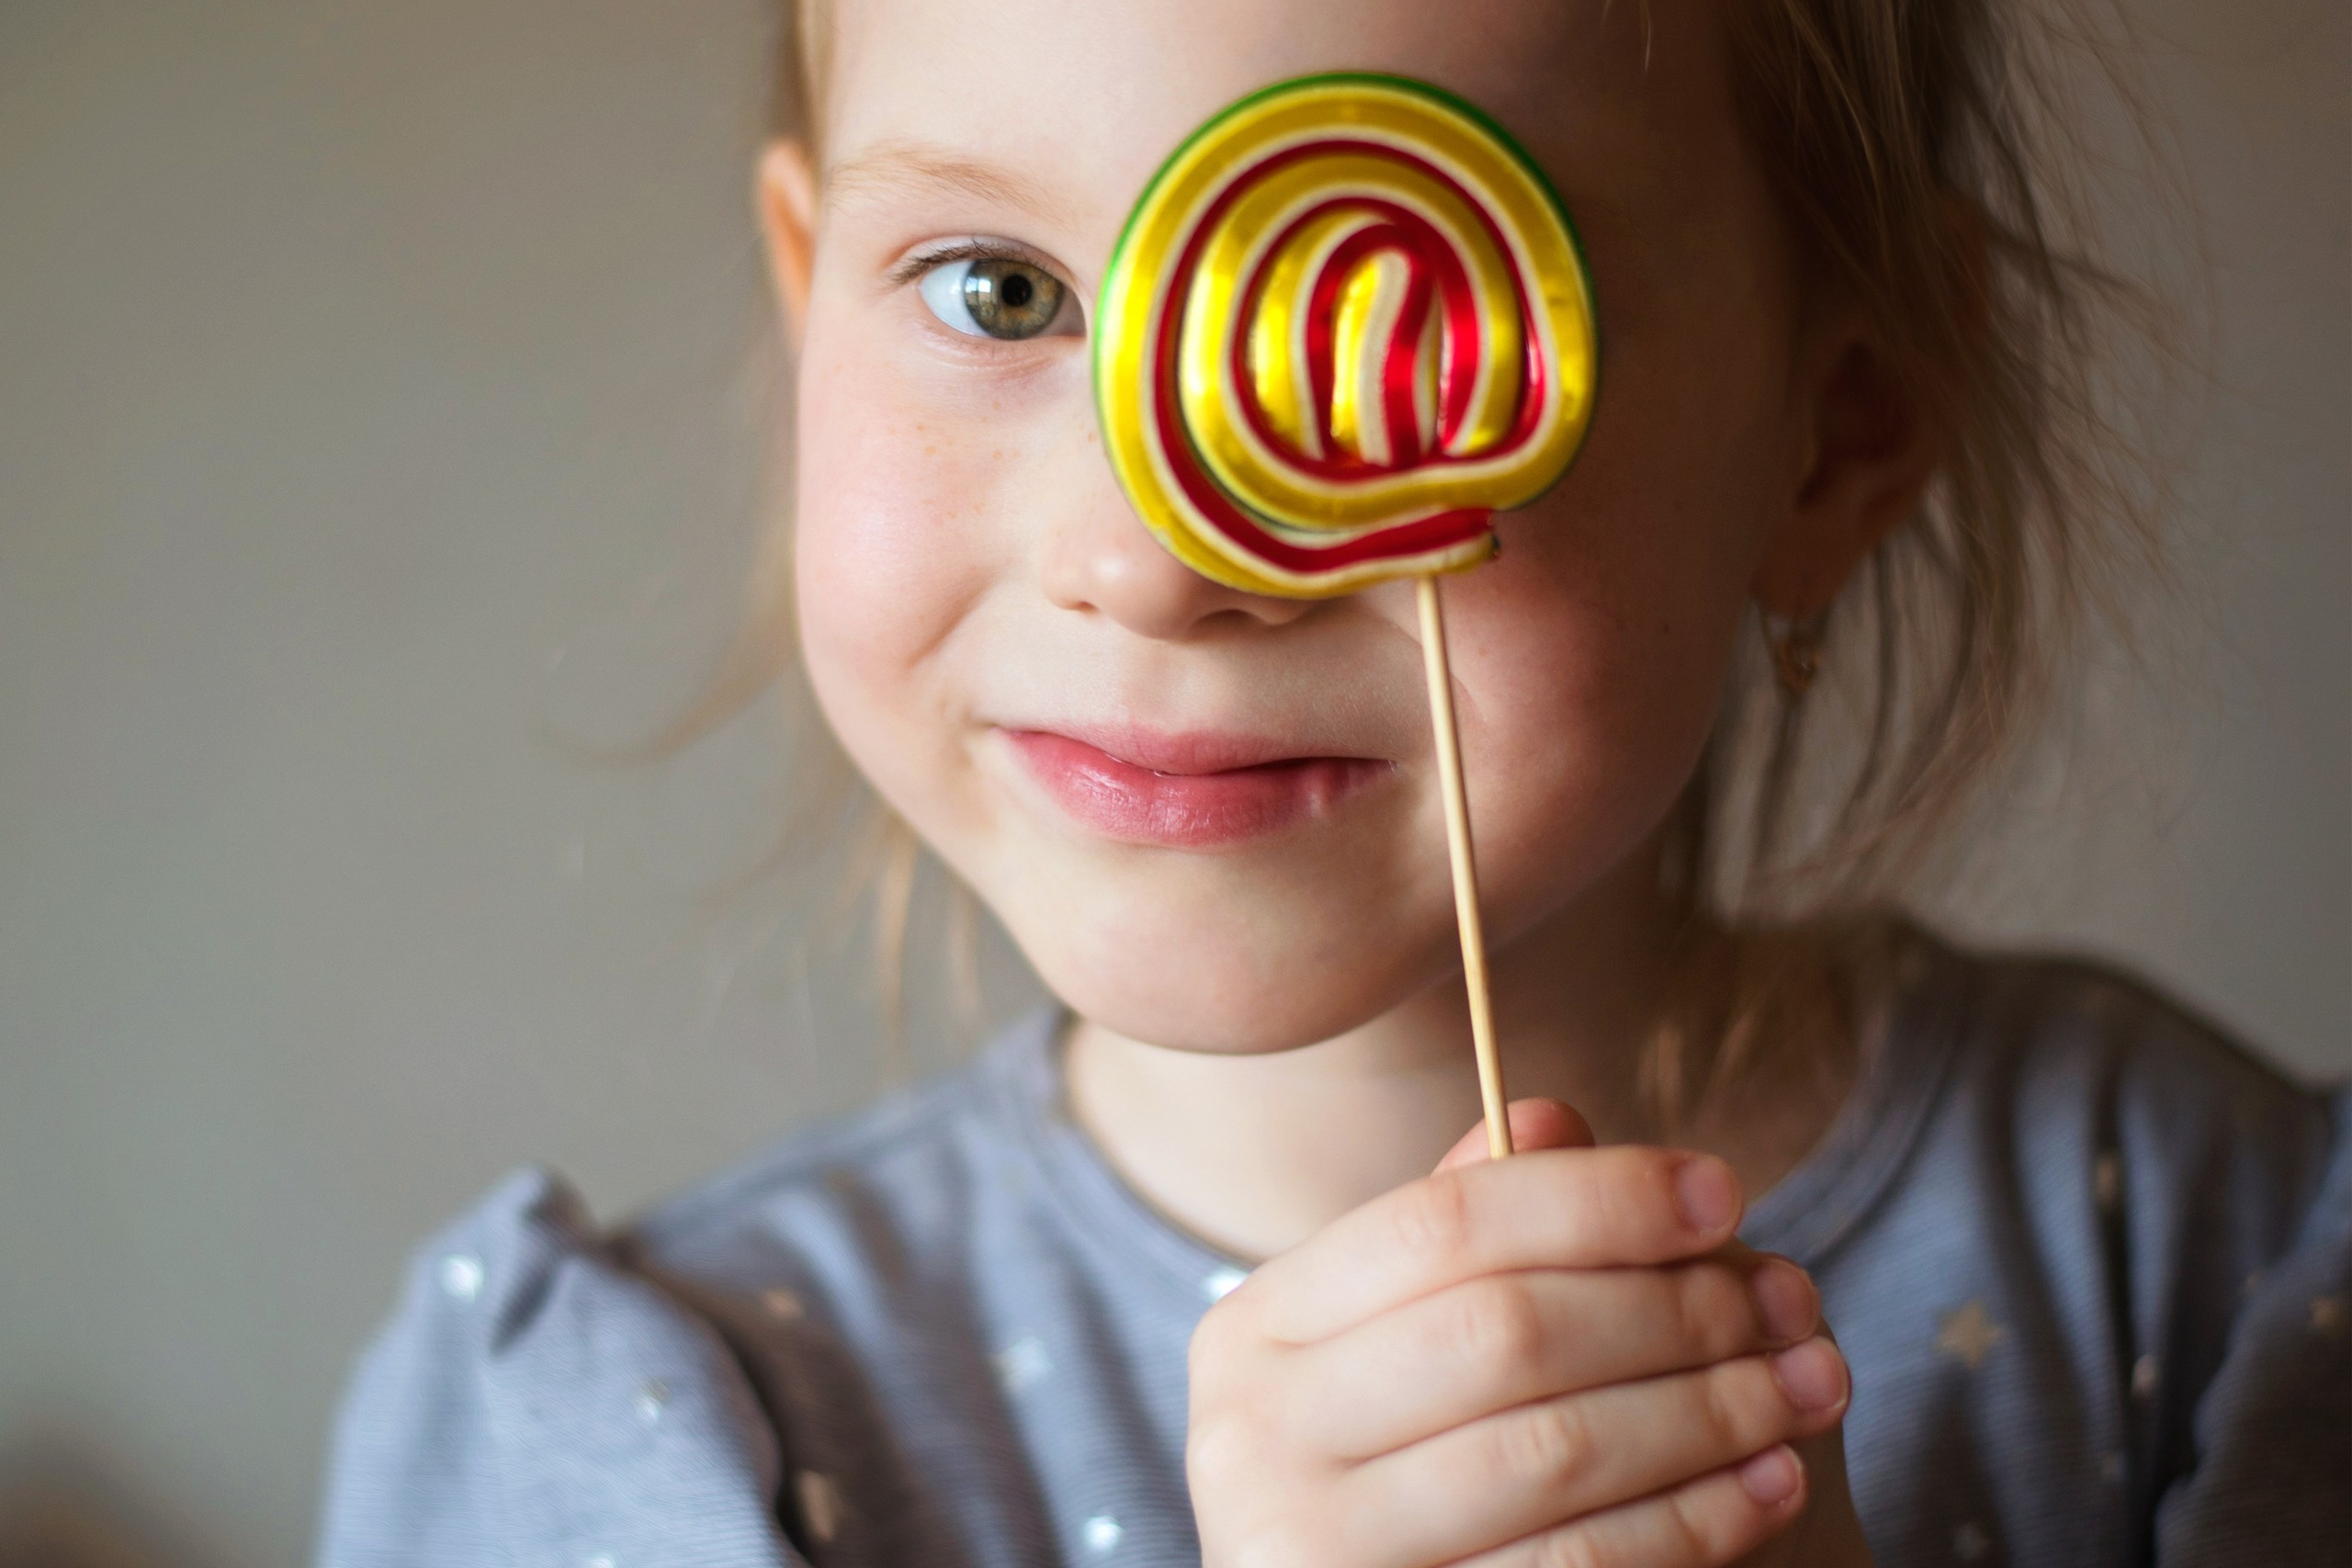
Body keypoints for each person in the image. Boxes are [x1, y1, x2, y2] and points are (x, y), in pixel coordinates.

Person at [314, 2, 2348, 1564]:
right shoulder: (648, 1453)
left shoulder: (2225, 1270)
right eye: (998, 290)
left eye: (1398, 322)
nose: (1156, 552)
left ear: (1833, 433)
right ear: (801, 293)